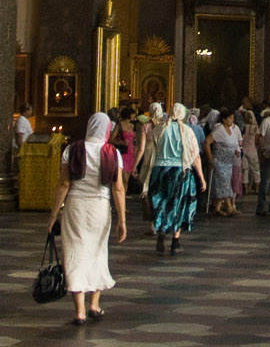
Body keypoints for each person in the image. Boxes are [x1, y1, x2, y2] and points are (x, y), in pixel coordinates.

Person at [48, 112, 127, 325]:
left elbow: (64, 184)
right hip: (100, 207)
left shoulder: (71, 150)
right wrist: (122, 219)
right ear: (107, 130)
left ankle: (79, 310)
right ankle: (94, 304)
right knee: (97, 252)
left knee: (74, 253)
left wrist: (54, 214)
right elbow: (118, 188)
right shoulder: (113, 153)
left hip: (75, 206)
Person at [146, 101, 204, 253]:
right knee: (180, 203)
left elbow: (149, 152)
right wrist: (202, 178)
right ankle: (175, 241)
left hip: (160, 170)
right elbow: (195, 156)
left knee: (161, 202)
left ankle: (161, 231)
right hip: (180, 171)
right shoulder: (187, 131)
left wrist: (145, 173)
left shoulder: (159, 129)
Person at [209, 112, 243, 216]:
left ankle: (218, 207)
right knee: (224, 183)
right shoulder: (219, 129)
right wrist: (210, 158)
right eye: (229, 118)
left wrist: (236, 150)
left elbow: (235, 143)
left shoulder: (232, 130)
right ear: (224, 119)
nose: (232, 120)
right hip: (220, 161)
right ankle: (229, 207)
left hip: (229, 162)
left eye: (233, 118)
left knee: (225, 183)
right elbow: (207, 142)